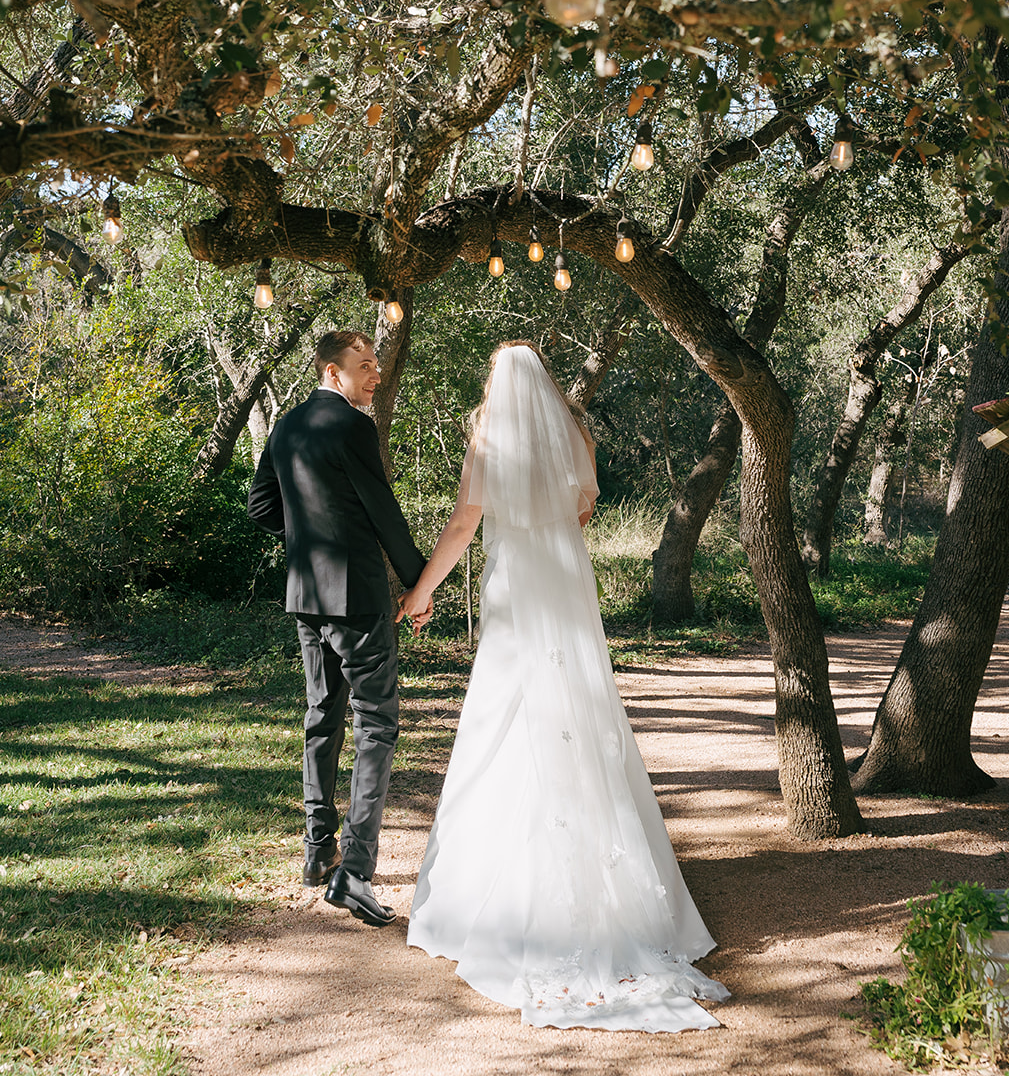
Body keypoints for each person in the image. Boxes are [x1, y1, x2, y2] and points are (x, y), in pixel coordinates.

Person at [396, 341, 730, 1032]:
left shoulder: (488, 440)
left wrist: (420, 591)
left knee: (503, 717)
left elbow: (465, 522)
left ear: (496, 385)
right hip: (565, 593)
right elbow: (585, 506)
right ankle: (620, 901)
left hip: (516, 593)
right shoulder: (575, 434)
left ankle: (493, 900)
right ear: (545, 384)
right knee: (577, 712)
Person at [248, 329, 427, 927]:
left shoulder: (287, 425)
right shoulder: (353, 426)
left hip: (306, 596)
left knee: (321, 716)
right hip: (357, 597)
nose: (375, 374)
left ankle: (315, 848)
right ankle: (355, 870)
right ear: (332, 372)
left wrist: (307, 542)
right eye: (364, 366)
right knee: (376, 723)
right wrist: (417, 583)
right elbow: (382, 509)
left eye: (377, 364)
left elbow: (262, 507)